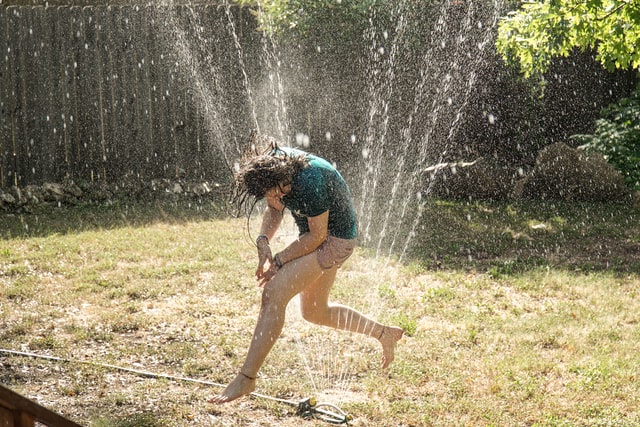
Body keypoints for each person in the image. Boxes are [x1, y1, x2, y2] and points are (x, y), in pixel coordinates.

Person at [210, 133, 403, 404]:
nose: (273, 197)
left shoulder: (309, 180)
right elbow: (274, 210)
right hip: (320, 237)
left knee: (274, 292)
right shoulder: (273, 168)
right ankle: (385, 333)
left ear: (281, 179)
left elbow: (316, 237)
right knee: (315, 312)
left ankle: (247, 378)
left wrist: (279, 261)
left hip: (335, 240)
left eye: (274, 192)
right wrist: (264, 241)